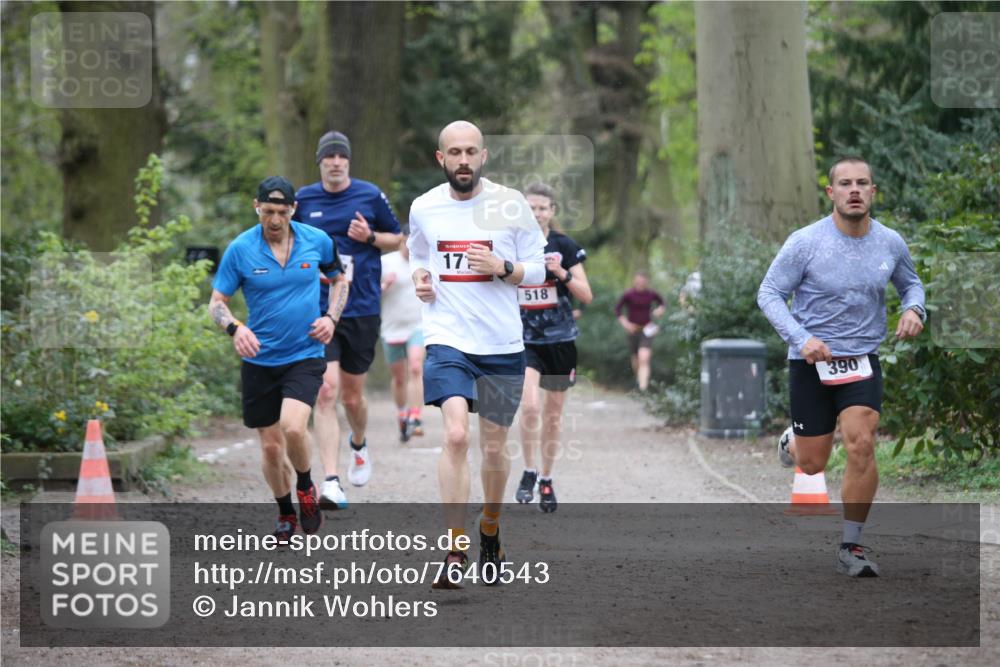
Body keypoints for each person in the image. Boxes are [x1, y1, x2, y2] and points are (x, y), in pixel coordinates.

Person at [757, 156, 925, 578]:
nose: (854, 190)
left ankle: (852, 544)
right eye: (845, 183)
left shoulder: (890, 242)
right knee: (813, 463)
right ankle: (792, 443)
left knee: (862, 443)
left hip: (862, 360)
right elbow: (770, 293)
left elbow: (911, 283)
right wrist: (802, 339)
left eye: (862, 183)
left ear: (872, 192)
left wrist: (914, 309)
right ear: (830, 192)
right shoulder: (806, 242)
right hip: (811, 361)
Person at [407, 121, 546, 588]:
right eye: (454, 153)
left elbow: (539, 269)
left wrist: (505, 268)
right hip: (447, 338)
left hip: (501, 344)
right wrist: (420, 278)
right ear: (440, 158)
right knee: (456, 436)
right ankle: (454, 548)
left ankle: (490, 526)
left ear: (483, 156)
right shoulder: (425, 208)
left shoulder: (510, 206)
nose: (463, 160)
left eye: (471, 152)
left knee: (492, 447)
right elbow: (418, 253)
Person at [209, 176, 349, 539]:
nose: (274, 220)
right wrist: (236, 329)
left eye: (281, 212)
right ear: (257, 206)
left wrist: (331, 318)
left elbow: (339, 280)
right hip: (259, 360)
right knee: (271, 448)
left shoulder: (316, 241)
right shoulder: (240, 250)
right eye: (267, 211)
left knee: (292, 427)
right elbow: (216, 304)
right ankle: (285, 511)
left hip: (304, 352)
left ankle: (305, 487)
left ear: (293, 210)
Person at [294, 131, 403, 509]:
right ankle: (331, 481)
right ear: (320, 161)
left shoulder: (370, 195)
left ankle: (359, 443)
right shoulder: (303, 199)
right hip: (320, 309)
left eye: (342, 156)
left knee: (353, 397)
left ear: (349, 162)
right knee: (326, 392)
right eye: (330, 156)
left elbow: (399, 238)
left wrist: (370, 236)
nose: (336, 161)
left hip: (361, 307)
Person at [513, 183, 593, 513]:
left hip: (560, 341)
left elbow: (586, 295)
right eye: (530, 208)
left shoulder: (565, 246)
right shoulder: (512, 244)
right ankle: (529, 471)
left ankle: (547, 478)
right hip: (524, 339)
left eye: (542, 208)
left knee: (553, 417)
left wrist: (561, 273)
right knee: (530, 407)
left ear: (552, 211)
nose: (536, 214)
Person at [380, 224, 425, 442]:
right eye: (406, 242)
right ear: (400, 240)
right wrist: (384, 286)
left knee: (416, 367)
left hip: (418, 325)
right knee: (399, 378)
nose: (409, 247)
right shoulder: (385, 262)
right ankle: (402, 413)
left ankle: (415, 416)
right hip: (392, 328)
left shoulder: (425, 263)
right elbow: (370, 296)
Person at [614, 271, 665, 391]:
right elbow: (618, 310)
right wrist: (626, 324)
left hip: (647, 329)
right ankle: (638, 380)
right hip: (633, 330)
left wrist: (660, 310)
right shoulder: (629, 294)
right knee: (636, 359)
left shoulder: (651, 294)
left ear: (647, 282)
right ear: (634, 281)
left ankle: (643, 388)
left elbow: (662, 303)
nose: (640, 284)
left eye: (643, 282)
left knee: (644, 357)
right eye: (638, 281)